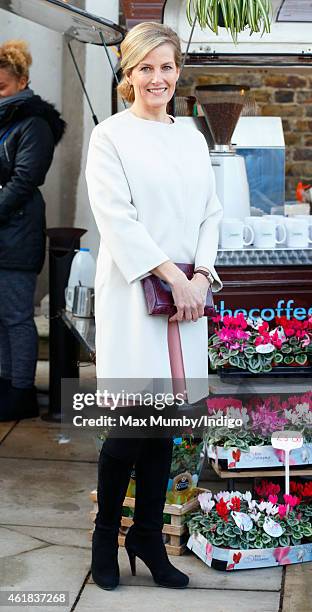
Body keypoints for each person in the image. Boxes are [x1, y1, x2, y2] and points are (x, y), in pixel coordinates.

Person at [85, 22, 223, 591]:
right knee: (127, 428)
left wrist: (202, 275)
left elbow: (211, 211)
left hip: (186, 303)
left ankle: (146, 537)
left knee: (163, 429)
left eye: (167, 67)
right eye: (146, 67)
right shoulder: (110, 137)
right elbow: (117, 219)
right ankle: (104, 536)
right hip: (137, 296)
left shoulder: (191, 135)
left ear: (177, 70)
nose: (158, 78)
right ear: (129, 72)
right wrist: (172, 275)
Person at [0, 40, 66, 421]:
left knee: (16, 316)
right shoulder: (5, 121)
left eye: (1, 87)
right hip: (5, 230)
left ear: (23, 80)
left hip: (17, 232)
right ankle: (8, 383)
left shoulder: (33, 123)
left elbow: (25, 180)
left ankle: (21, 391)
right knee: (1, 316)